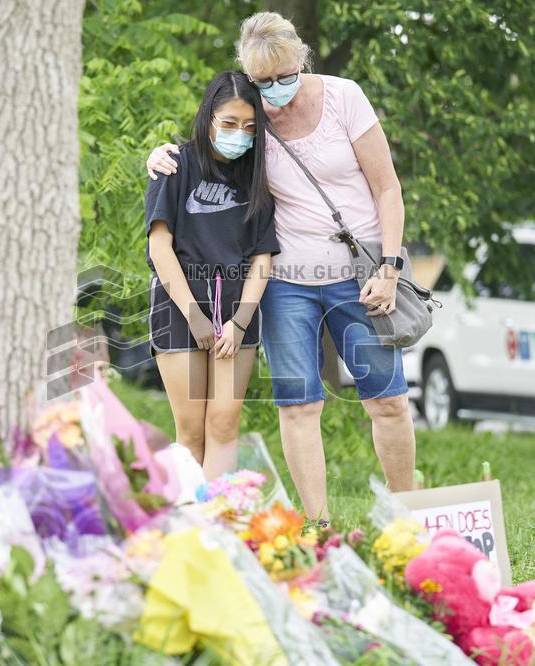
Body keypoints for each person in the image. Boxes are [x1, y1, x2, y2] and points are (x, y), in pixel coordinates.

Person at [147, 12, 415, 521]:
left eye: (284, 75)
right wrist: (160, 157)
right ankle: (318, 525)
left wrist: (390, 265)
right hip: (285, 283)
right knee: (297, 407)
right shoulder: (252, 118)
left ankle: (408, 519)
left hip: (362, 275)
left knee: (388, 399)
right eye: (263, 81)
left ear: (302, 58)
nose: (275, 89)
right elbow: (209, 147)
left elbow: (388, 188)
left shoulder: (343, 98)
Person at [145, 70, 279, 481]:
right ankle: (188, 528)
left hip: (239, 309)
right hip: (179, 303)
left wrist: (239, 322)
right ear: (208, 118)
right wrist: (195, 316)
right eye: (231, 124)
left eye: (250, 127)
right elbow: (159, 246)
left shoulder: (256, 177)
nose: (240, 134)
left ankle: (220, 523)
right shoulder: (174, 166)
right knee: (191, 432)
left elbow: (262, 258)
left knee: (224, 423)